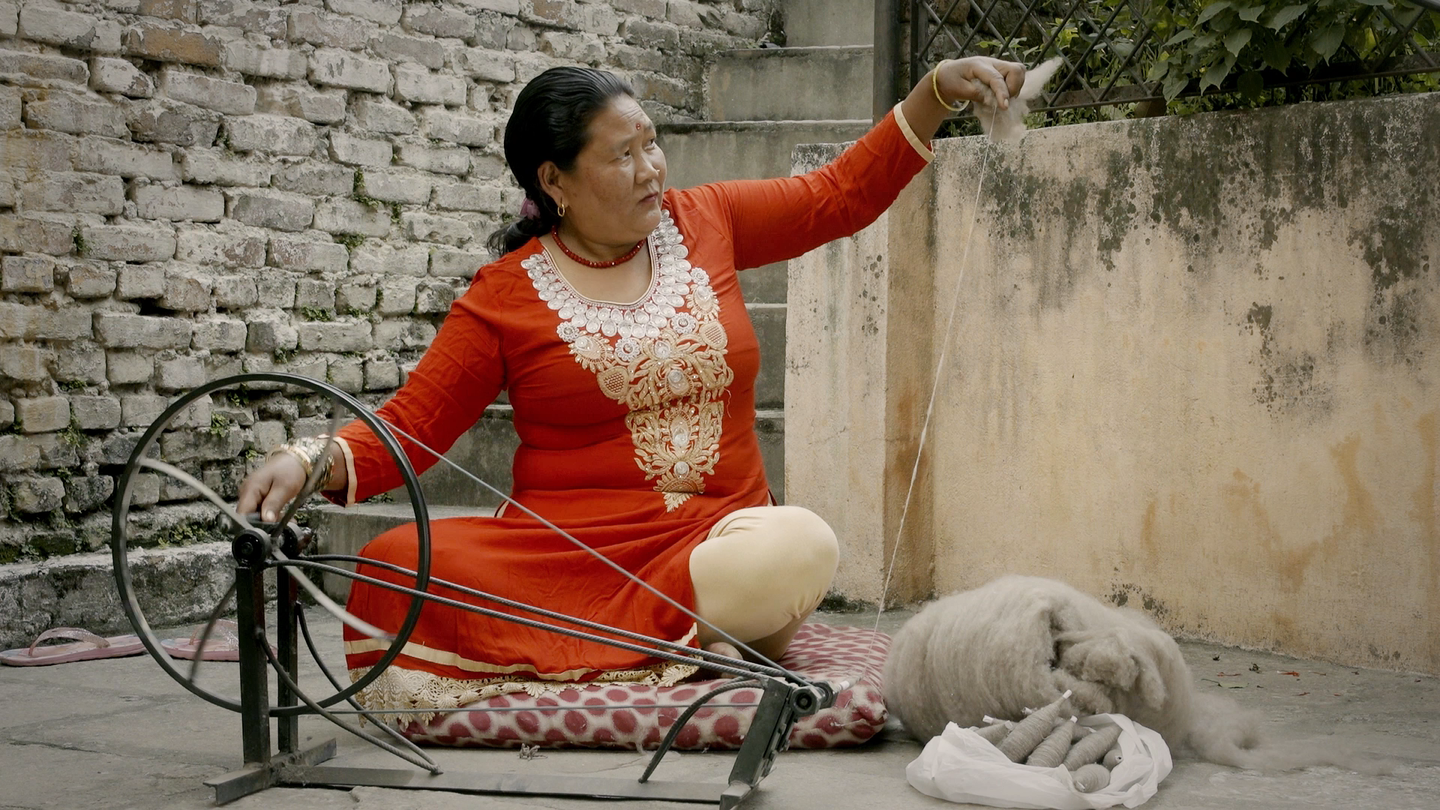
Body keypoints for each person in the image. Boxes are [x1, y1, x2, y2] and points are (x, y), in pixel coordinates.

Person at [237, 58, 1025, 717]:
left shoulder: (707, 220)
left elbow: (837, 196)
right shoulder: (506, 295)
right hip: (561, 557)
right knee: (390, 562)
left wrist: (937, 90)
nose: (651, 168)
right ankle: (693, 643)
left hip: (717, 544)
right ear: (557, 180)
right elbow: (414, 428)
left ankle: (612, 643)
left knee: (800, 545)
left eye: (651, 143)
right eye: (622, 155)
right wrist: (309, 459)